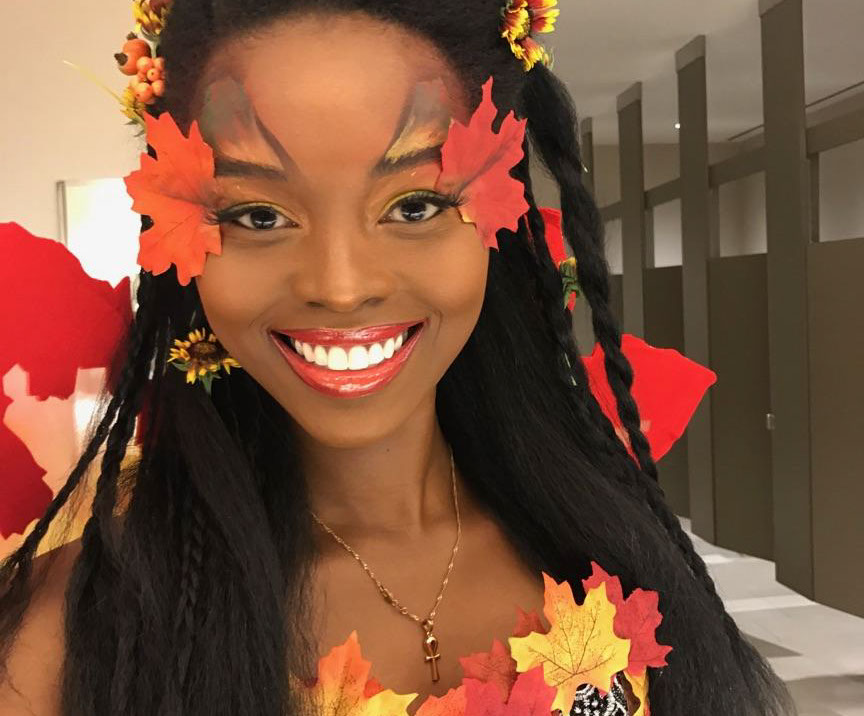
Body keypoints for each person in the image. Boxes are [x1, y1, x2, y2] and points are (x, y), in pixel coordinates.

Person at [0, 1, 795, 714]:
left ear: (499, 213)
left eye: (415, 205)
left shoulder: (611, 548)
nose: (341, 287)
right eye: (256, 215)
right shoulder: (62, 638)